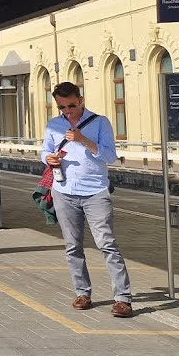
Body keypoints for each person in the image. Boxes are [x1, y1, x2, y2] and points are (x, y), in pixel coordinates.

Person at [41, 82, 131, 318]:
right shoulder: (53, 125)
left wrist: (83, 140)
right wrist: (48, 159)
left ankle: (123, 298)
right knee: (72, 246)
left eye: (71, 105)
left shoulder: (100, 122)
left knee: (107, 244)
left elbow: (110, 156)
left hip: (95, 192)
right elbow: (44, 151)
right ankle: (82, 293)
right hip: (64, 191)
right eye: (62, 107)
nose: (67, 111)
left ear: (80, 100)